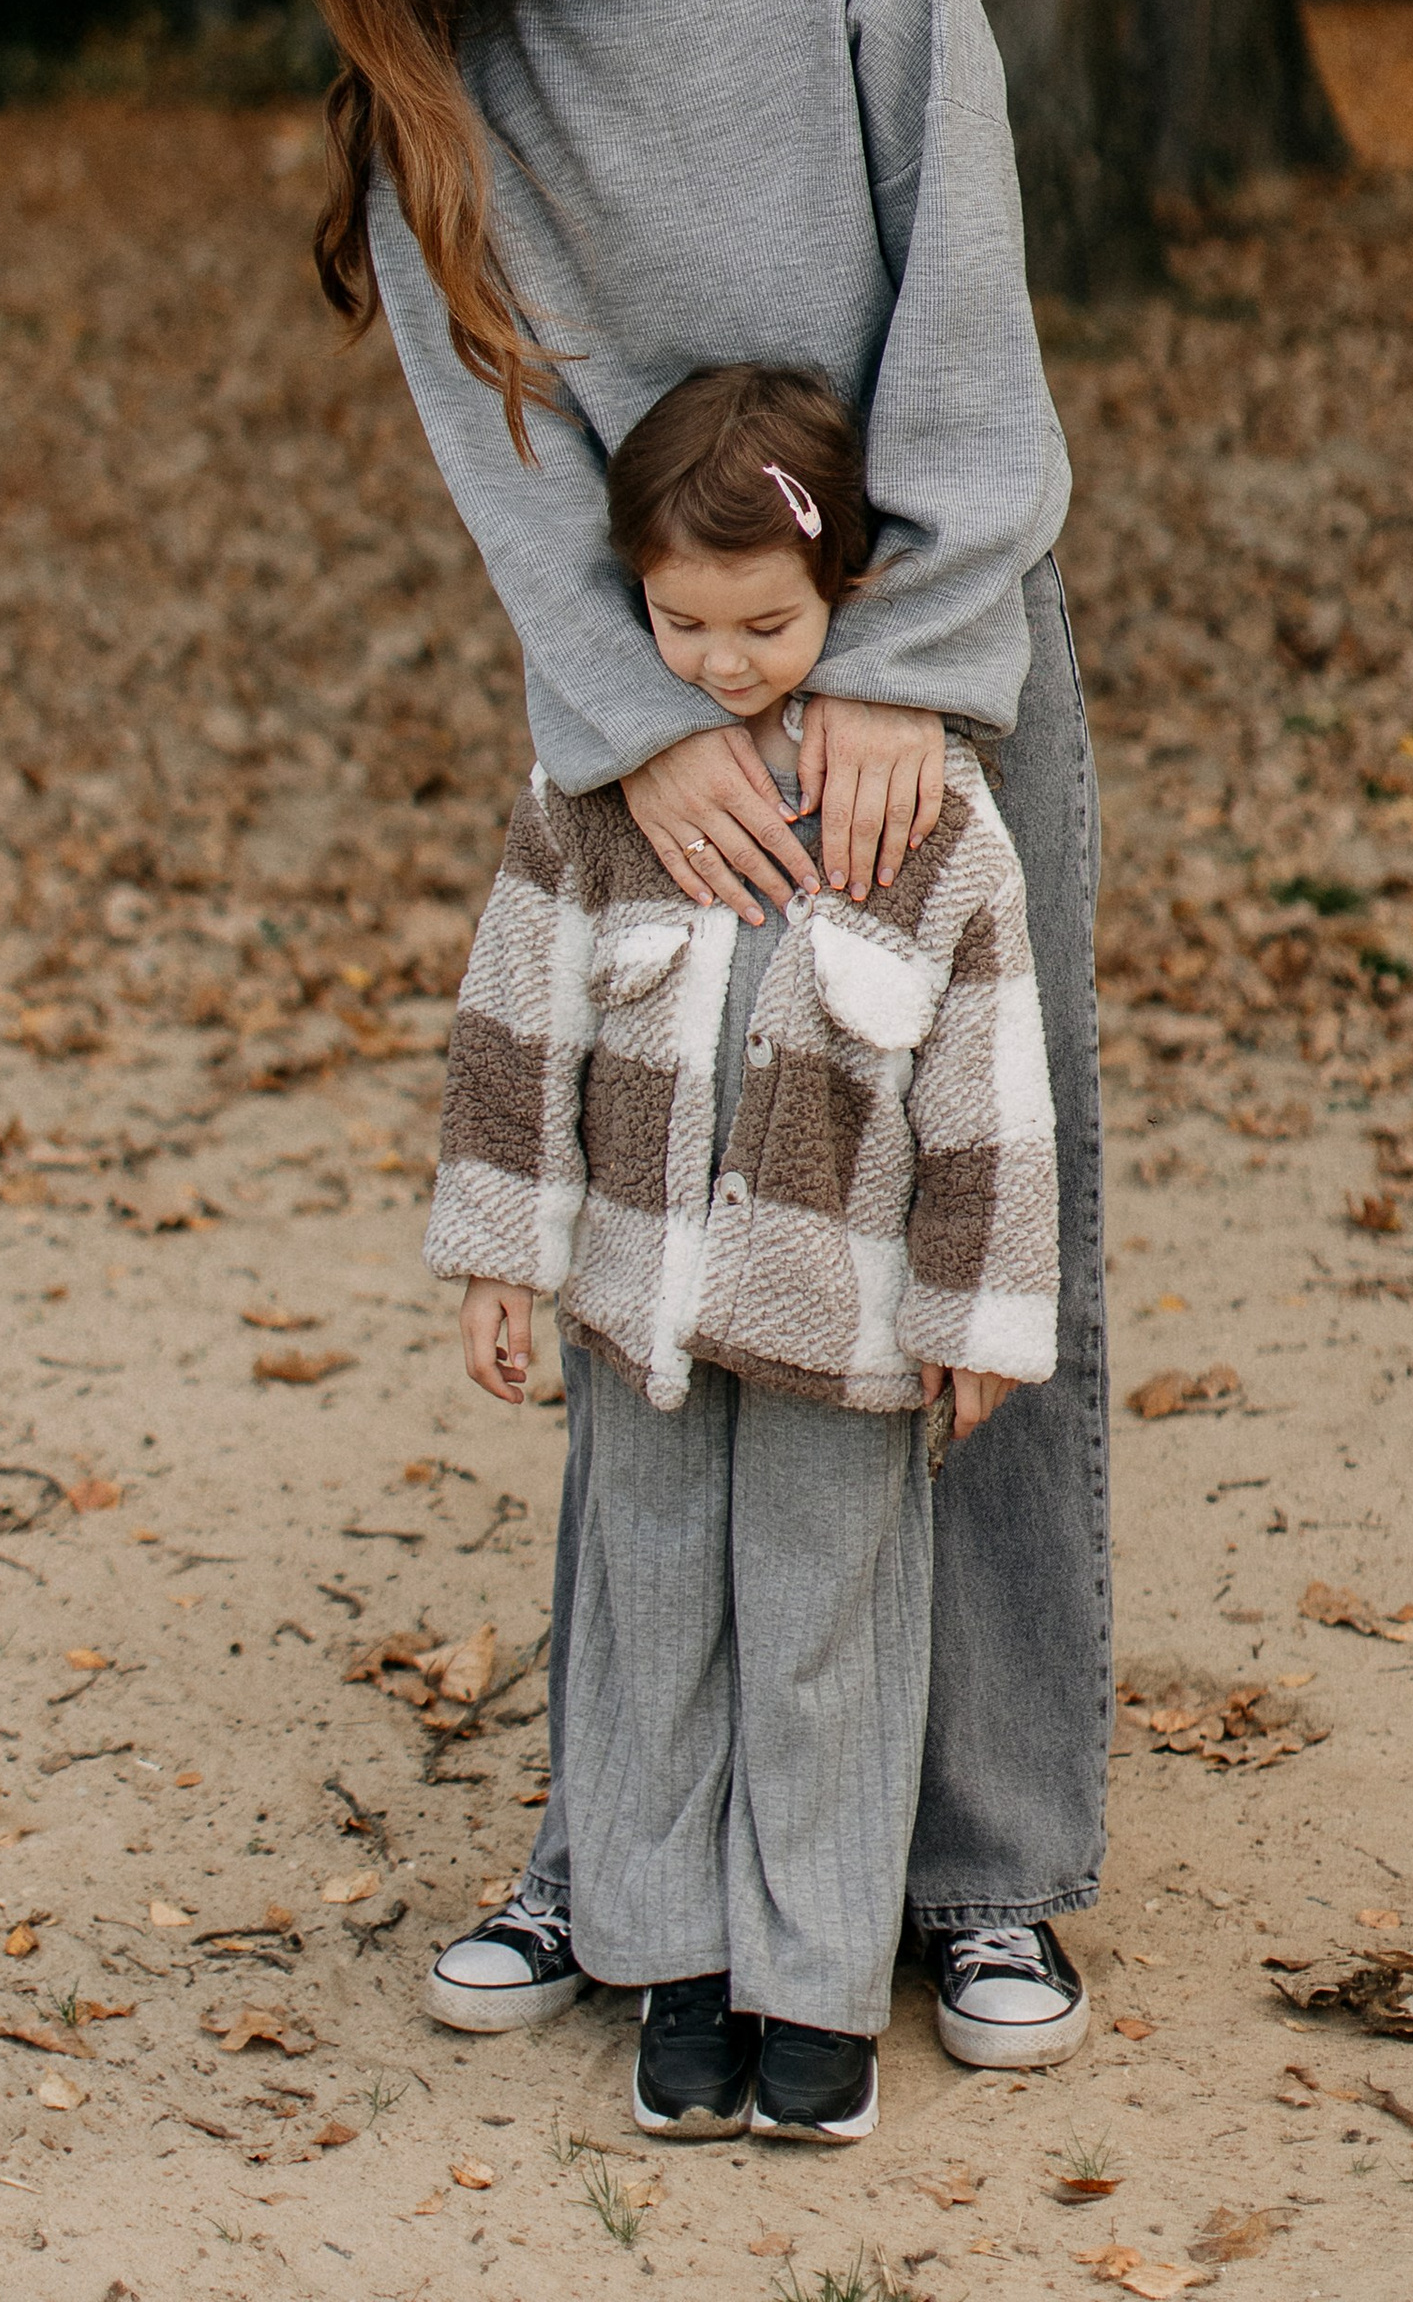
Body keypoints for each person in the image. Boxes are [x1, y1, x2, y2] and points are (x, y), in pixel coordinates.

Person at [287, 0, 1108, 2088]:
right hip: (650, 740)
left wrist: (893, 681)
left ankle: (972, 1868)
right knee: (655, 1272)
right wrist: (633, 723)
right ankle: (621, 1850)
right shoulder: (444, 47)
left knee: (943, 1248)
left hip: (917, 699)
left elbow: (965, 320)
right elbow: (493, 418)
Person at [427, 362, 1058, 2143]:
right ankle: (668, 1962)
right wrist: (503, 1250)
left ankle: (816, 1983)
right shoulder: (602, 793)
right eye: (677, 619)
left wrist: (978, 1312)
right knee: (652, 1618)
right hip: (637, 1305)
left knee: (818, 1633)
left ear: (846, 589)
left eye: (763, 621)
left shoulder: (925, 818)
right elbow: (515, 1021)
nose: (717, 659)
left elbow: (991, 1082)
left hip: (838, 1324)